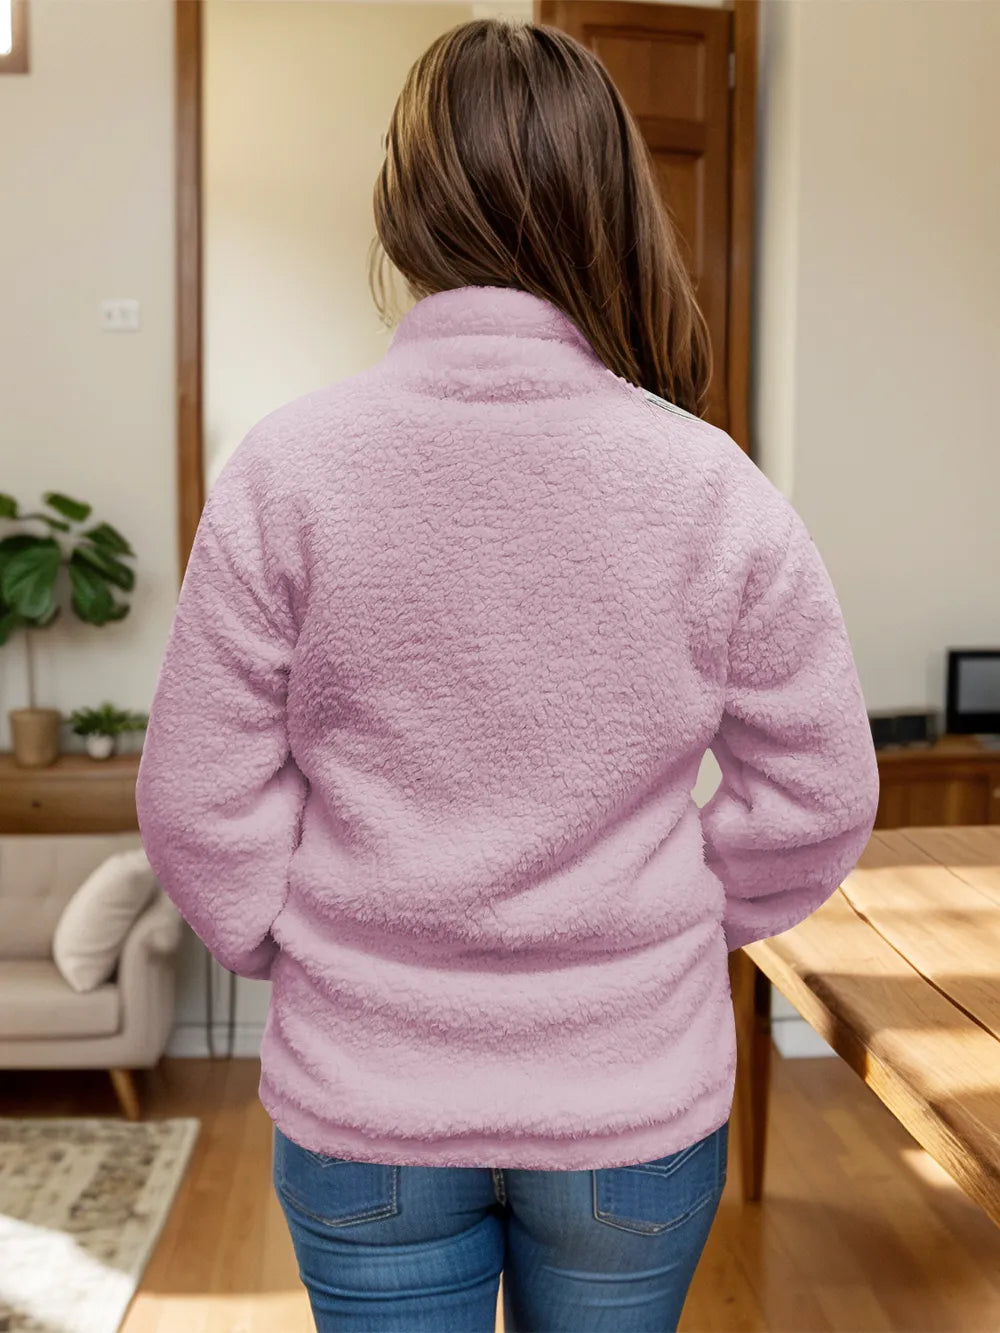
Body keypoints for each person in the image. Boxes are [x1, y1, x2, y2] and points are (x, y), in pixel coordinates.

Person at [135, 17, 880, 1333]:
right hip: (629, 1095)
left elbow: (198, 793)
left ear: (401, 210)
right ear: (612, 206)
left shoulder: (288, 470)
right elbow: (820, 790)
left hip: (367, 1093)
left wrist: (284, 935)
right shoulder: (710, 484)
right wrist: (678, 915)